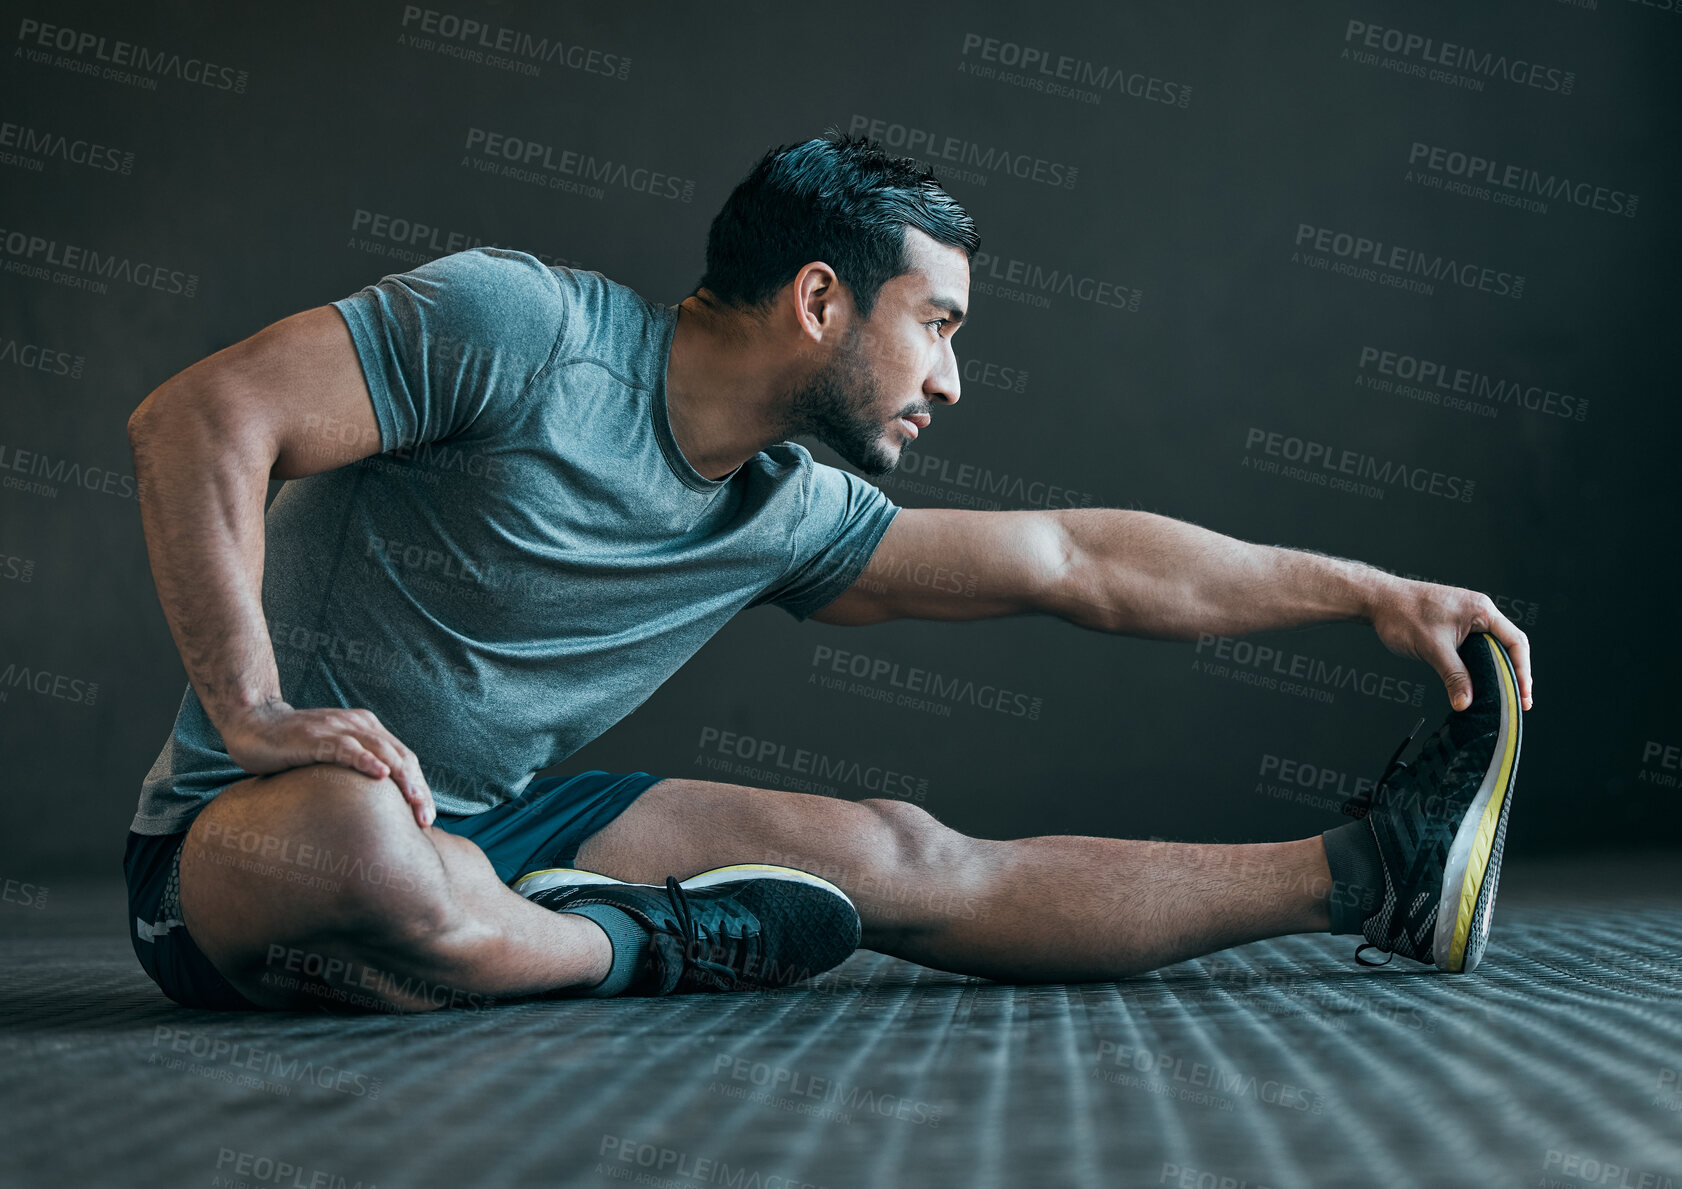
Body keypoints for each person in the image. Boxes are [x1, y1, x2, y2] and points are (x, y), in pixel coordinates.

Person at [121, 132, 1532, 1013]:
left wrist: (1364, 587)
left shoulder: (787, 508)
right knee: (367, 841)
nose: (953, 378)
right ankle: (636, 949)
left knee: (898, 852)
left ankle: (1364, 879)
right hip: (242, 849)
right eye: (936, 325)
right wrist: (251, 709)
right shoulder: (520, 328)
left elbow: (1076, 560)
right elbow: (198, 418)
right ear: (817, 300)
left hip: (499, 825)